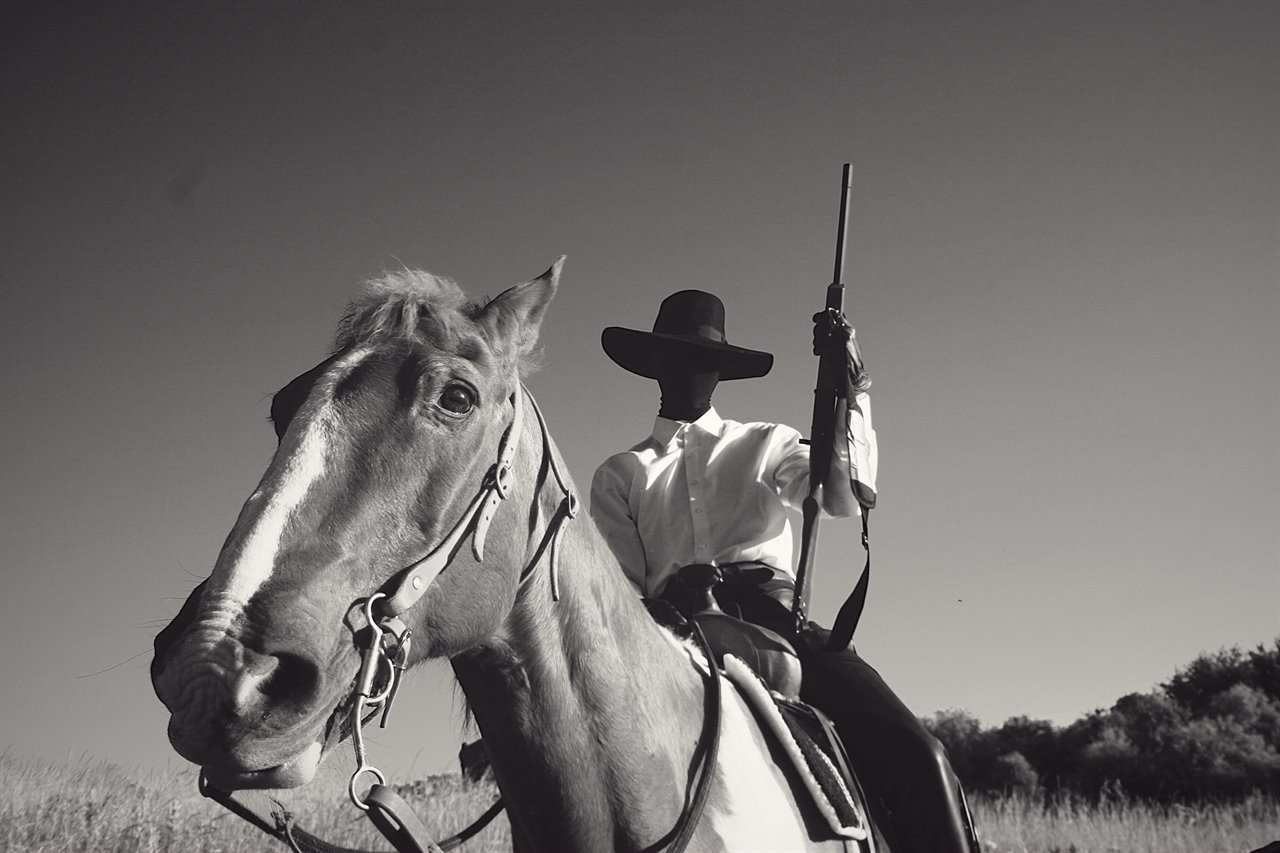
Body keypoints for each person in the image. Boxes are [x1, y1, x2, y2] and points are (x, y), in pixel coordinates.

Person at [589, 289, 975, 853]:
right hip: (664, 632)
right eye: (674, 355)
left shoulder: (768, 441)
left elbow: (844, 498)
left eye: (701, 358)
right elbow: (618, 591)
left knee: (921, 755)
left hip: (775, 620)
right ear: (653, 366)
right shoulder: (620, 473)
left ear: (722, 370)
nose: (689, 369)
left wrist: (851, 391)